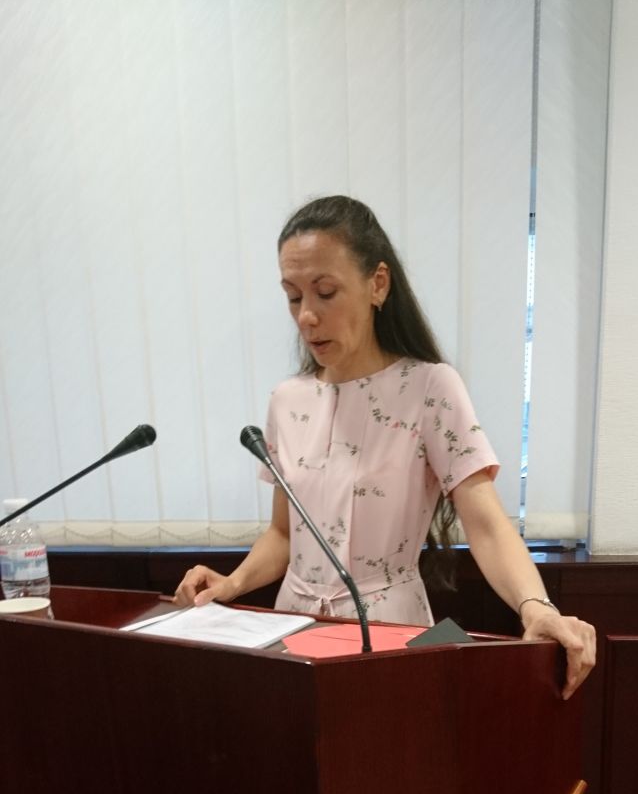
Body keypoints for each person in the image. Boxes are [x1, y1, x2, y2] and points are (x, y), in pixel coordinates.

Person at [175, 196, 595, 698]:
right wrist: (233, 583)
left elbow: (485, 524)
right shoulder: (287, 400)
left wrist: (536, 607)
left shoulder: (430, 388)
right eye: (293, 296)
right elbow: (284, 534)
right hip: (295, 629)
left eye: (325, 293)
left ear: (377, 284)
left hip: (390, 631)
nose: (306, 316)